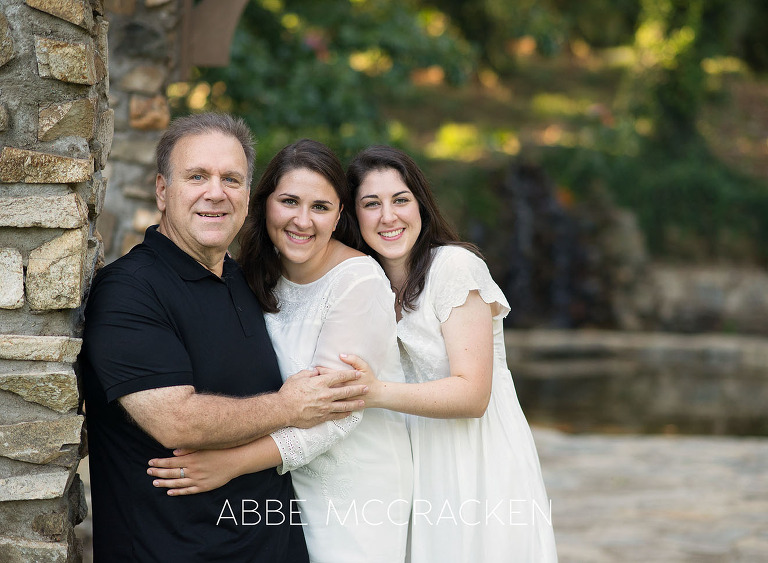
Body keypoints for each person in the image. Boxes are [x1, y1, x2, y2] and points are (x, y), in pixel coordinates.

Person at [80, 114, 369, 562]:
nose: (216, 192)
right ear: (162, 190)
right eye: (197, 176)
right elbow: (176, 420)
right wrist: (288, 405)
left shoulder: (245, 280)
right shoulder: (129, 290)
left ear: (247, 198)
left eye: (231, 179)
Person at [147, 139, 413, 563]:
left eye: (321, 207)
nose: (302, 221)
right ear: (264, 203)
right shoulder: (250, 275)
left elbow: (336, 414)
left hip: (351, 485)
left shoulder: (358, 283)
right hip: (279, 493)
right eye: (289, 201)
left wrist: (230, 463)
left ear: (339, 215)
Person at [345, 145, 558, 562]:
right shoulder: (366, 284)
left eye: (400, 200)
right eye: (372, 204)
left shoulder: (454, 268)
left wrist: (372, 392)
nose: (388, 216)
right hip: (416, 469)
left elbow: (472, 395)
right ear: (354, 217)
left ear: (421, 204)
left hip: (478, 462)